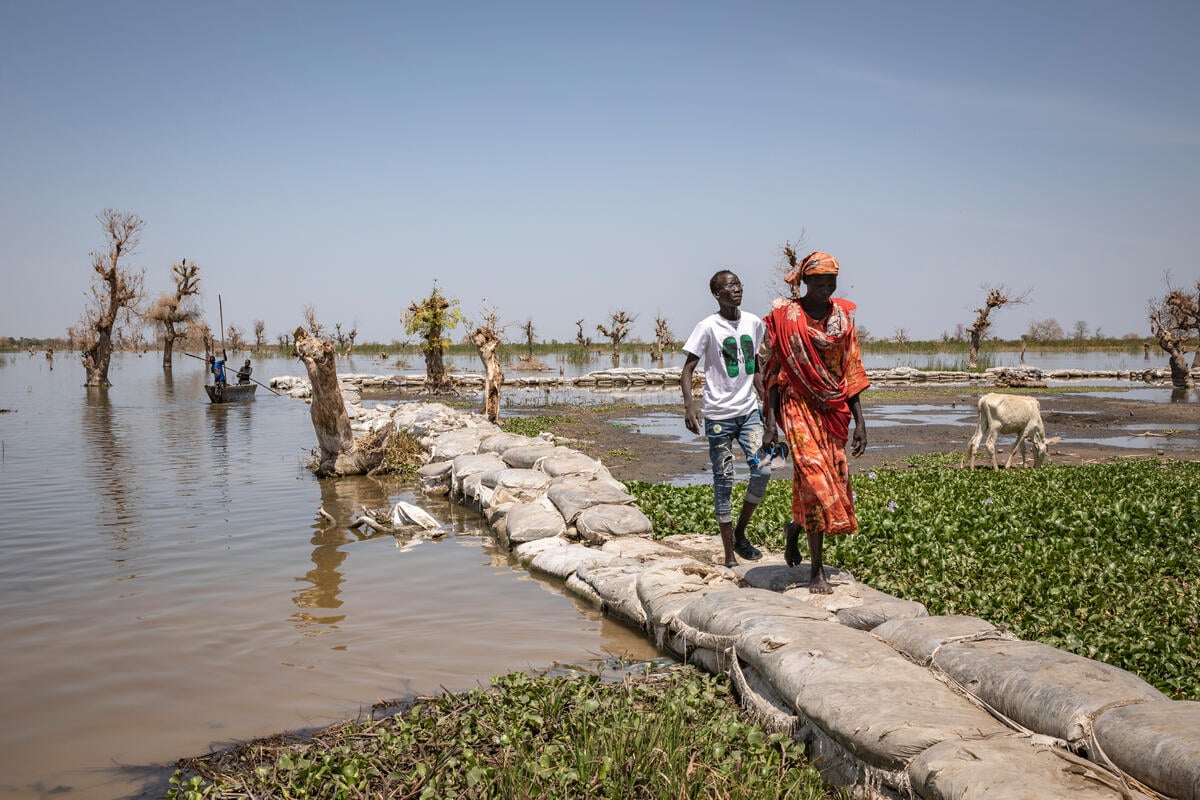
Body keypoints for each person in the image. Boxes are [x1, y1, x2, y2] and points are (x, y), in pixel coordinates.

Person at [761, 251, 869, 594]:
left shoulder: (844, 321)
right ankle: (816, 572)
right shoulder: (785, 319)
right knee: (813, 477)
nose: (825, 289)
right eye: (819, 283)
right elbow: (773, 374)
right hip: (796, 406)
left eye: (831, 283)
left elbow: (851, 370)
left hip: (833, 410)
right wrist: (770, 424)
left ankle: (795, 528)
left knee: (831, 479)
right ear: (805, 282)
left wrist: (861, 422)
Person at [681, 269, 770, 568]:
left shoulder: (754, 322)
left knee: (764, 470)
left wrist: (768, 406)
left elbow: (756, 365)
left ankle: (740, 533)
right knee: (724, 480)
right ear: (717, 294)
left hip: (748, 412)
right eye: (729, 286)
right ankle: (729, 554)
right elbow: (687, 371)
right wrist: (690, 405)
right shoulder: (707, 327)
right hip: (718, 415)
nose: (736, 289)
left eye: (739, 284)